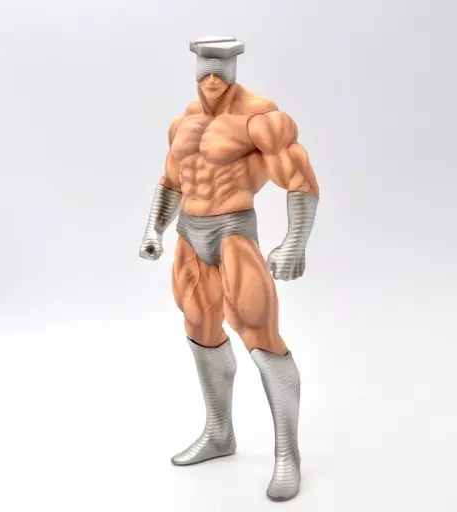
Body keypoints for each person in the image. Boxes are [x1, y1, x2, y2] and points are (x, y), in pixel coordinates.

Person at [139, 36, 319, 502]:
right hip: (189, 234)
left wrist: (295, 242)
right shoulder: (183, 122)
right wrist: (154, 227)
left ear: (237, 64)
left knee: (260, 333)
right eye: (206, 65)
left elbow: (299, 177)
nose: (213, 76)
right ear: (195, 65)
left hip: (234, 232)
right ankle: (219, 433)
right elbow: (172, 180)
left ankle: (288, 455)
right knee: (199, 327)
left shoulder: (260, 118)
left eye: (222, 65)